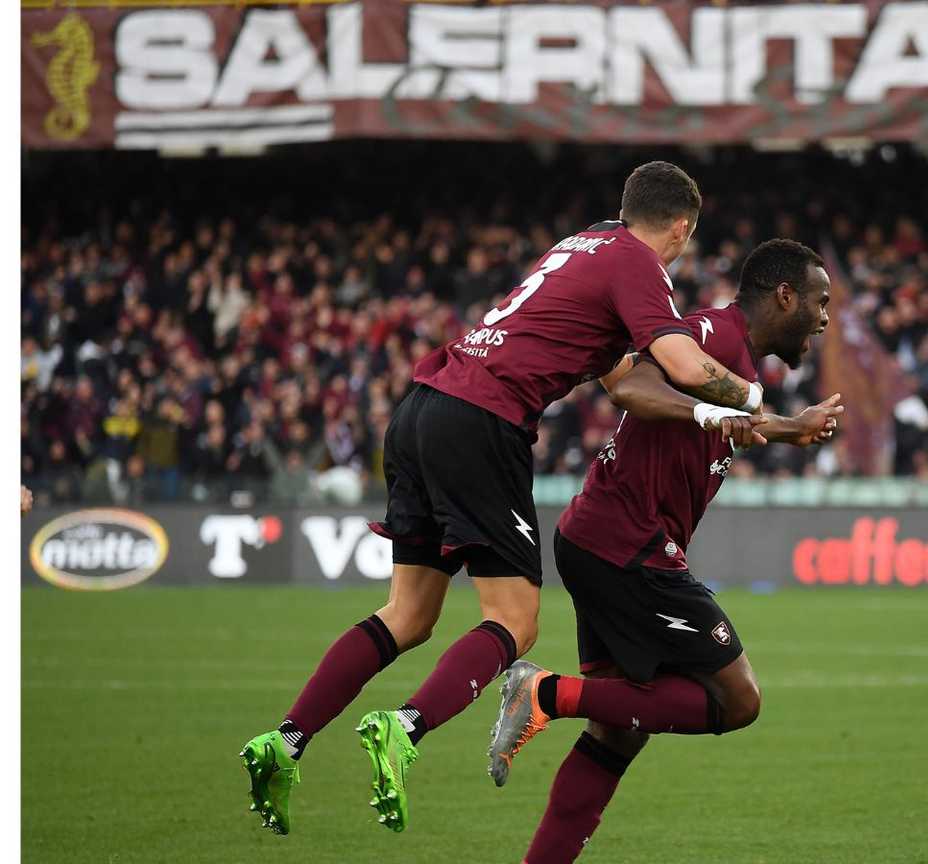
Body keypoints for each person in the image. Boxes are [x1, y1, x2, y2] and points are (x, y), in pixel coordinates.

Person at [240, 162, 773, 835]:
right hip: (482, 420)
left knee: (408, 613)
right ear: (681, 228)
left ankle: (286, 739)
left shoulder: (580, 247)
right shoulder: (638, 261)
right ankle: (403, 727)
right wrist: (760, 406)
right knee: (516, 621)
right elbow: (686, 365)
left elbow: (618, 381)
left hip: (422, 407)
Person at [487, 239, 841, 864]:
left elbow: (724, 419)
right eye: (820, 302)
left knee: (620, 732)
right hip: (628, 544)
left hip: (599, 539)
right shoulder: (709, 332)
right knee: (739, 701)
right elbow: (632, 389)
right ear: (784, 295)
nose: (824, 317)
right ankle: (544, 694)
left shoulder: (740, 369)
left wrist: (789, 428)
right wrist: (713, 414)